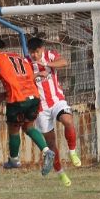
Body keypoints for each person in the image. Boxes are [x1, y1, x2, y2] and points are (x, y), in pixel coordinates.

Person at [0, 38, 55, 177]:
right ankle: (46, 151)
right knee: (29, 127)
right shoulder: (19, 57)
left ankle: (14, 160)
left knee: (14, 129)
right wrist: (4, 93)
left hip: (17, 99)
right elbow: (27, 78)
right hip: (33, 97)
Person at [27, 37, 82, 187]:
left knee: (68, 120)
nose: (34, 55)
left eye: (36, 52)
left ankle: (72, 151)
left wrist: (46, 64)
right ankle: (61, 173)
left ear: (42, 49)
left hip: (57, 100)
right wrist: (37, 75)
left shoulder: (49, 55)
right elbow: (24, 80)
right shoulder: (27, 63)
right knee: (51, 144)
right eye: (31, 52)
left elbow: (64, 62)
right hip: (41, 108)